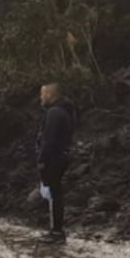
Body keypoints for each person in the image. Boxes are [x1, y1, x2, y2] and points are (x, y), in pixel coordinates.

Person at [37, 83, 78, 244]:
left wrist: (42, 160)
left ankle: (57, 232)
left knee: (54, 195)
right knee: (55, 193)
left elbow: (49, 140)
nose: (41, 97)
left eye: (42, 94)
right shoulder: (65, 111)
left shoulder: (54, 113)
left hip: (54, 158)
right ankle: (56, 230)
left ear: (49, 95)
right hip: (62, 155)